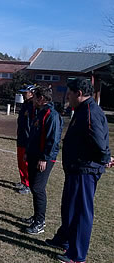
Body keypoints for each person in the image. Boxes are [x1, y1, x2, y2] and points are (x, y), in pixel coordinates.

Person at [45, 78, 113, 263]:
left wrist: (105, 158)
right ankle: (64, 240)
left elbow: (99, 140)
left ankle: (77, 255)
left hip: (85, 170)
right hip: (75, 169)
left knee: (81, 212)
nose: (68, 97)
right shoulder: (82, 110)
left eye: (70, 94)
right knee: (69, 207)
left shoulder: (90, 112)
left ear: (79, 94)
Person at [22, 86, 62, 235]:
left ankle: (40, 222)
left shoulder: (52, 115)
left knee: (38, 188)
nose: (32, 100)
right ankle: (36, 217)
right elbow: (33, 135)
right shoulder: (39, 112)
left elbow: (53, 139)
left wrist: (44, 158)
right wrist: (27, 151)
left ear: (42, 99)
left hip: (44, 159)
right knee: (33, 186)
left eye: (35, 97)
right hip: (33, 155)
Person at [16, 85, 36, 194]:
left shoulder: (33, 106)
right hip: (21, 137)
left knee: (26, 162)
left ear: (31, 93)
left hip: (28, 139)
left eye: (26, 93)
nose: (24, 95)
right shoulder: (25, 105)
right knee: (20, 162)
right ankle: (23, 181)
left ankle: (28, 184)